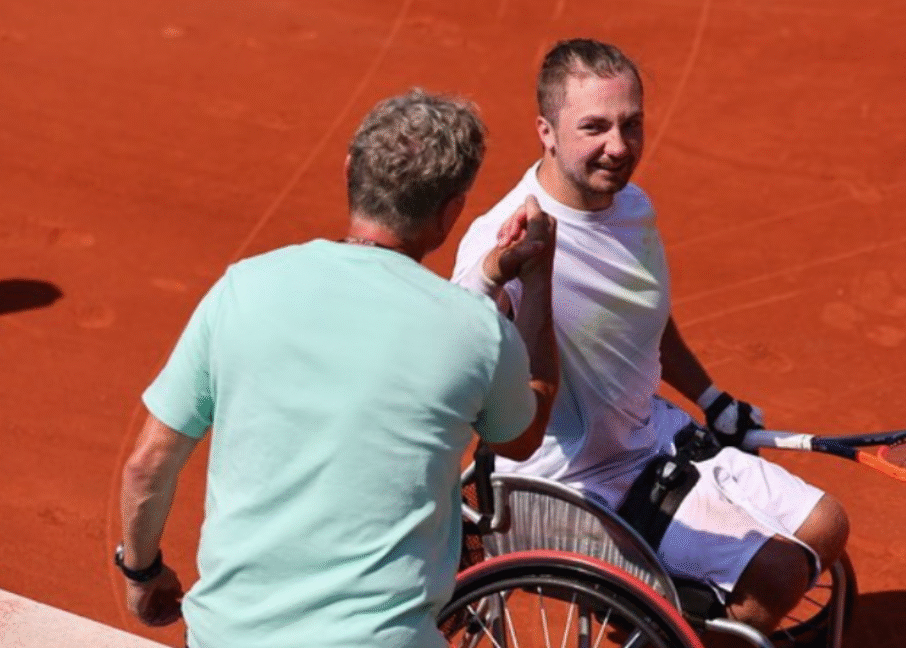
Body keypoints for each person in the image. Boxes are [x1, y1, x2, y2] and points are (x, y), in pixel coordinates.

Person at [116, 89, 559, 648]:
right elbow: (522, 435)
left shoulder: (242, 289)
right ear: (451, 212)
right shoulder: (478, 333)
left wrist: (142, 573)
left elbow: (146, 468)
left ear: (350, 169)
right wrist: (537, 281)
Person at [452, 38, 849, 636]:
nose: (619, 146)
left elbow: (646, 317)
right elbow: (454, 349)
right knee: (776, 574)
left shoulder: (631, 206)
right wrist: (498, 279)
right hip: (570, 488)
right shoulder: (503, 240)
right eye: (594, 127)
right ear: (546, 131)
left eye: (631, 124)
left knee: (826, 525)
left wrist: (711, 398)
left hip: (655, 443)